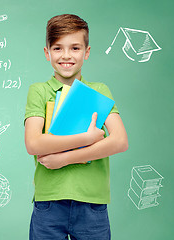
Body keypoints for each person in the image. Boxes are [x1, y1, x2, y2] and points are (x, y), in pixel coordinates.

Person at [24, 14, 129, 240]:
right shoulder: (39, 91)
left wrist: (63, 158)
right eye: (58, 48)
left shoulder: (99, 90)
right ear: (47, 53)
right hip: (49, 202)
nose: (66, 56)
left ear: (87, 52)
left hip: (92, 203)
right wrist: (89, 137)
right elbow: (33, 143)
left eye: (75, 48)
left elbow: (120, 141)